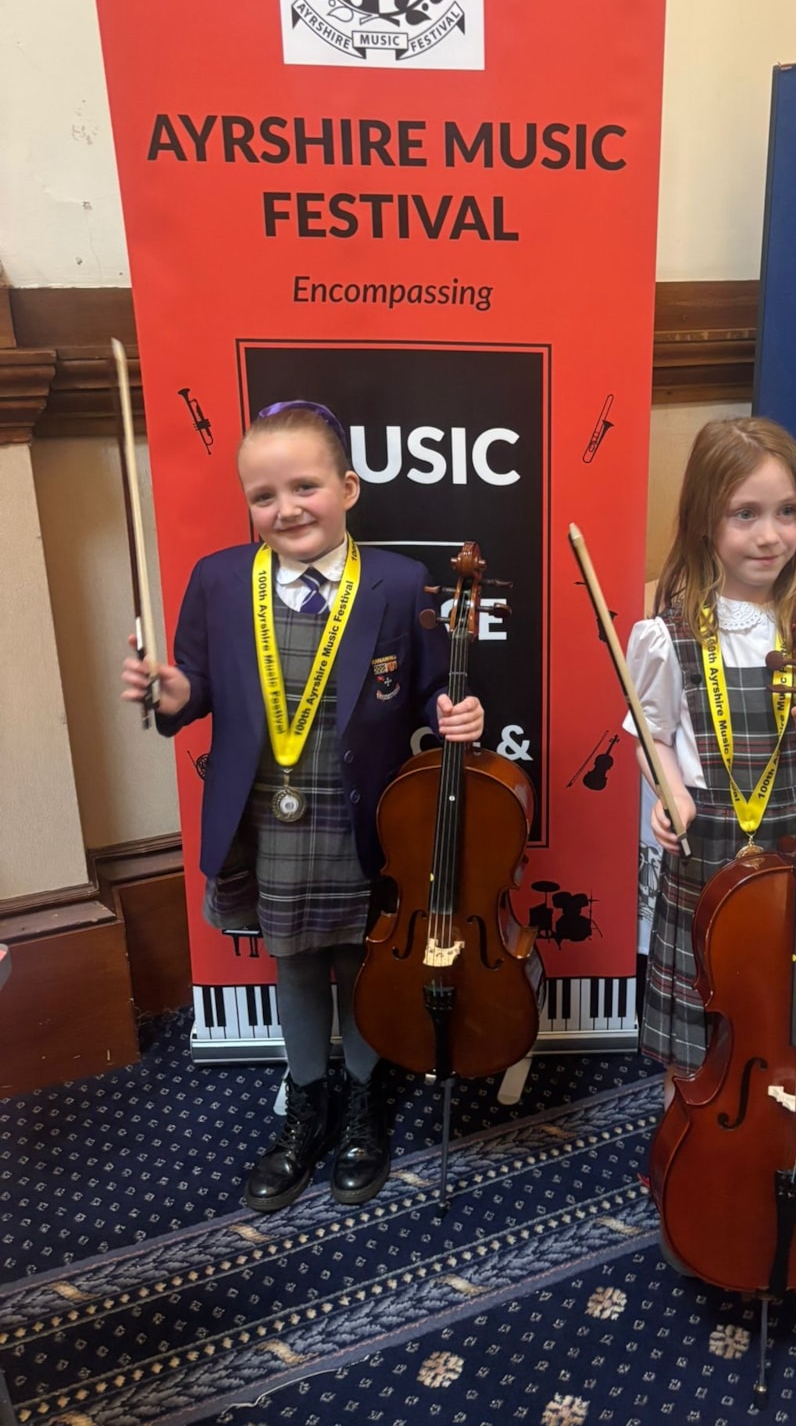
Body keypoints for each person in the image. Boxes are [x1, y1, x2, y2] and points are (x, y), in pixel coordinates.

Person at [121, 399, 483, 1212]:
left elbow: (429, 691)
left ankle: (360, 1101)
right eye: (262, 495)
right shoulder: (218, 580)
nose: (285, 509)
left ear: (349, 487)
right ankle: (306, 1101)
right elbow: (191, 689)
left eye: (306, 487)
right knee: (293, 958)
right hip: (265, 811)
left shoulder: (395, 581)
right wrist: (172, 694)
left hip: (363, 817)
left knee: (358, 957)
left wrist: (454, 713)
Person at [625, 416, 796, 1093]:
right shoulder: (666, 636)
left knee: (788, 997)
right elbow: (650, 732)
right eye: (746, 514)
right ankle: (702, 1125)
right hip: (707, 841)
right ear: (707, 521)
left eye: (787, 512)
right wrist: (670, 791)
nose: (771, 535)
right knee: (708, 992)